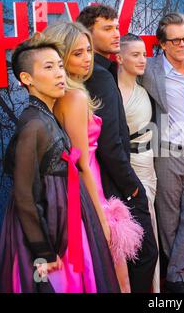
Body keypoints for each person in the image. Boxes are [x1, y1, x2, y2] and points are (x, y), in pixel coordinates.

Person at [0, 33, 120, 293]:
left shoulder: (46, 116)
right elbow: (25, 196)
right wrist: (44, 252)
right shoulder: (33, 125)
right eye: (48, 68)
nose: (59, 74)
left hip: (65, 222)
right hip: (48, 233)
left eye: (60, 66)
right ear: (26, 79)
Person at [44, 22, 144, 293]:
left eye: (88, 50)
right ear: (60, 55)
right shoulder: (74, 97)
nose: (87, 58)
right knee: (115, 276)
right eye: (77, 53)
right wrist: (100, 216)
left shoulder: (59, 94)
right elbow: (82, 163)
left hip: (77, 190)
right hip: (89, 190)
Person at [77, 5, 158, 293]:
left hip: (104, 182)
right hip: (115, 184)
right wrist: (133, 188)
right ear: (87, 33)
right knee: (145, 254)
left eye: (116, 27)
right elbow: (110, 143)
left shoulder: (104, 70)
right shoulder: (98, 76)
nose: (115, 34)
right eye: (107, 28)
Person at [140, 12, 184, 293]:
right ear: (162, 44)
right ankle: (177, 277)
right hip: (166, 154)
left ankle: (175, 273)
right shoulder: (150, 70)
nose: (183, 45)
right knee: (168, 218)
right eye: (176, 40)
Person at [116, 33, 161, 293]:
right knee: (137, 233)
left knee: (150, 225)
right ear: (119, 58)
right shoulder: (114, 94)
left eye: (144, 54)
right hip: (130, 169)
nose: (142, 59)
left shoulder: (144, 88)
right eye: (135, 54)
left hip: (149, 163)